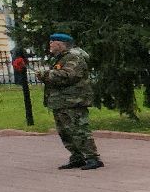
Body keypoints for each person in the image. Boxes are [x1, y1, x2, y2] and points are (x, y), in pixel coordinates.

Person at [35, 32, 102, 170]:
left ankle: (92, 158)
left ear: (60, 44)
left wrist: (46, 74)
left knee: (78, 130)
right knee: (65, 132)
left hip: (73, 101)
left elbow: (68, 75)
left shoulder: (74, 57)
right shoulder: (61, 58)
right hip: (62, 102)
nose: (50, 45)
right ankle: (77, 157)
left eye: (53, 42)